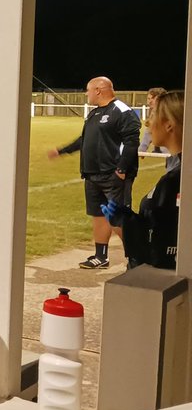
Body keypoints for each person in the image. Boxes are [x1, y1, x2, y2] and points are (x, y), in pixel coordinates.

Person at [48, 76, 141, 269]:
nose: (86, 94)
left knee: (117, 219)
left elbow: (131, 143)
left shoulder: (123, 112)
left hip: (113, 175)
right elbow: (84, 140)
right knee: (98, 215)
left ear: (99, 90)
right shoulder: (93, 114)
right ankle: (101, 256)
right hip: (92, 174)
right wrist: (62, 151)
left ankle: (137, 257)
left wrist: (121, 170)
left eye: (88, 90)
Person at [104, 91, 182, 270]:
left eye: (154, 116)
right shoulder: (176, 175)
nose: (148, 123)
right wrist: (128, 219)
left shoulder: (176, 180)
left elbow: (163, 246)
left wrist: (126, 222)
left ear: (169, 125)